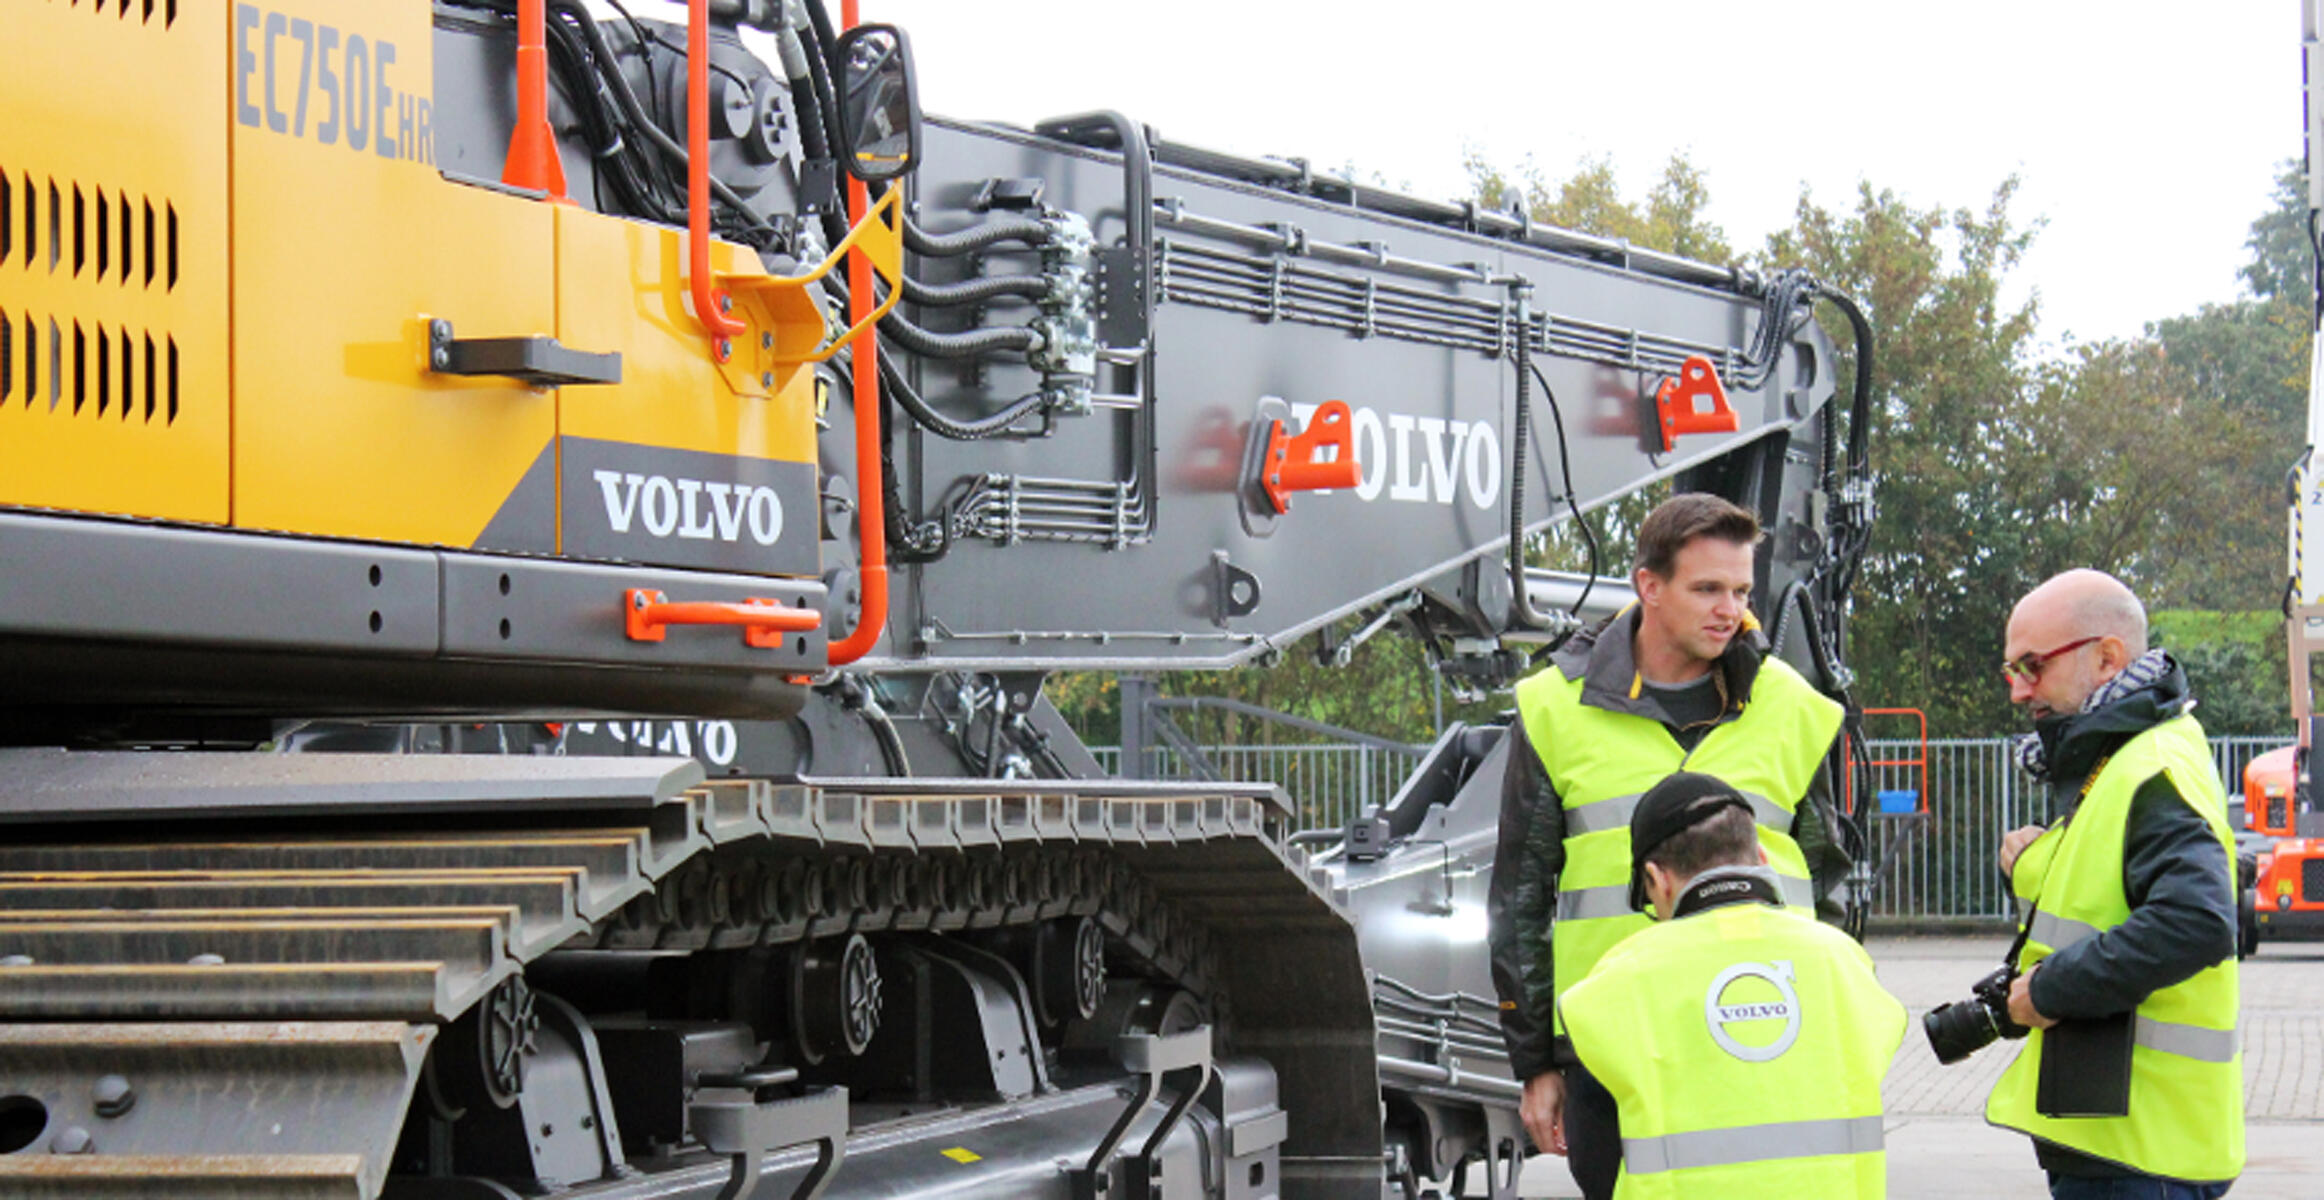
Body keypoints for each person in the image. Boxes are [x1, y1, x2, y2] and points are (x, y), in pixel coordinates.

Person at [1487, 492, 1853, 1200]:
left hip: (1765, 1034)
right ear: (1648, 587)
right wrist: (1534, 1061)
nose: (1732, 610)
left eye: (1742, 590)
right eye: (1708, 588)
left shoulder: (1794, 707)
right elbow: (1520, 897)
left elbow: (1828, 889)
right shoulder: (1555, 709)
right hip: (1615, 1048)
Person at [1986, 569, 2243, 1198]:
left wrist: (2047, 990)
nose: (2020, 691)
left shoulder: (2149, 764)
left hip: (2141, 1151)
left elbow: (2197, 921)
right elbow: (2107, 900)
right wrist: (2025, 865)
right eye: (2010, 671)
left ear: (2107, 658)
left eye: (2032, 665)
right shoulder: (2120, 759)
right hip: (2127, 1140)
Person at [1559, 771, 1905, 1198]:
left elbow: (1592, 1127)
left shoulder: (1622, 976)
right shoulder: (1843, 961)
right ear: (1761, 856)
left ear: (1658, 879)